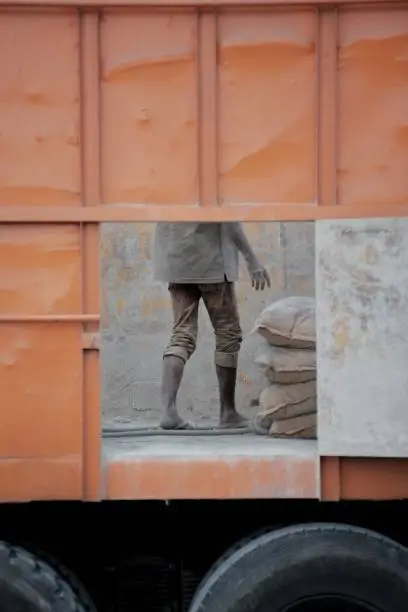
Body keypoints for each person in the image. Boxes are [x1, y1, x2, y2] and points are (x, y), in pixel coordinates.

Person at [153, 222, 270, 430]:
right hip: (213, 262)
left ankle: (168, 411)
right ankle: (228, 413)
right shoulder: (211, 188)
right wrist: (252, 259)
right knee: (227, 334)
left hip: (177, 263)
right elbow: (230, 220)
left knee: (181, 334)